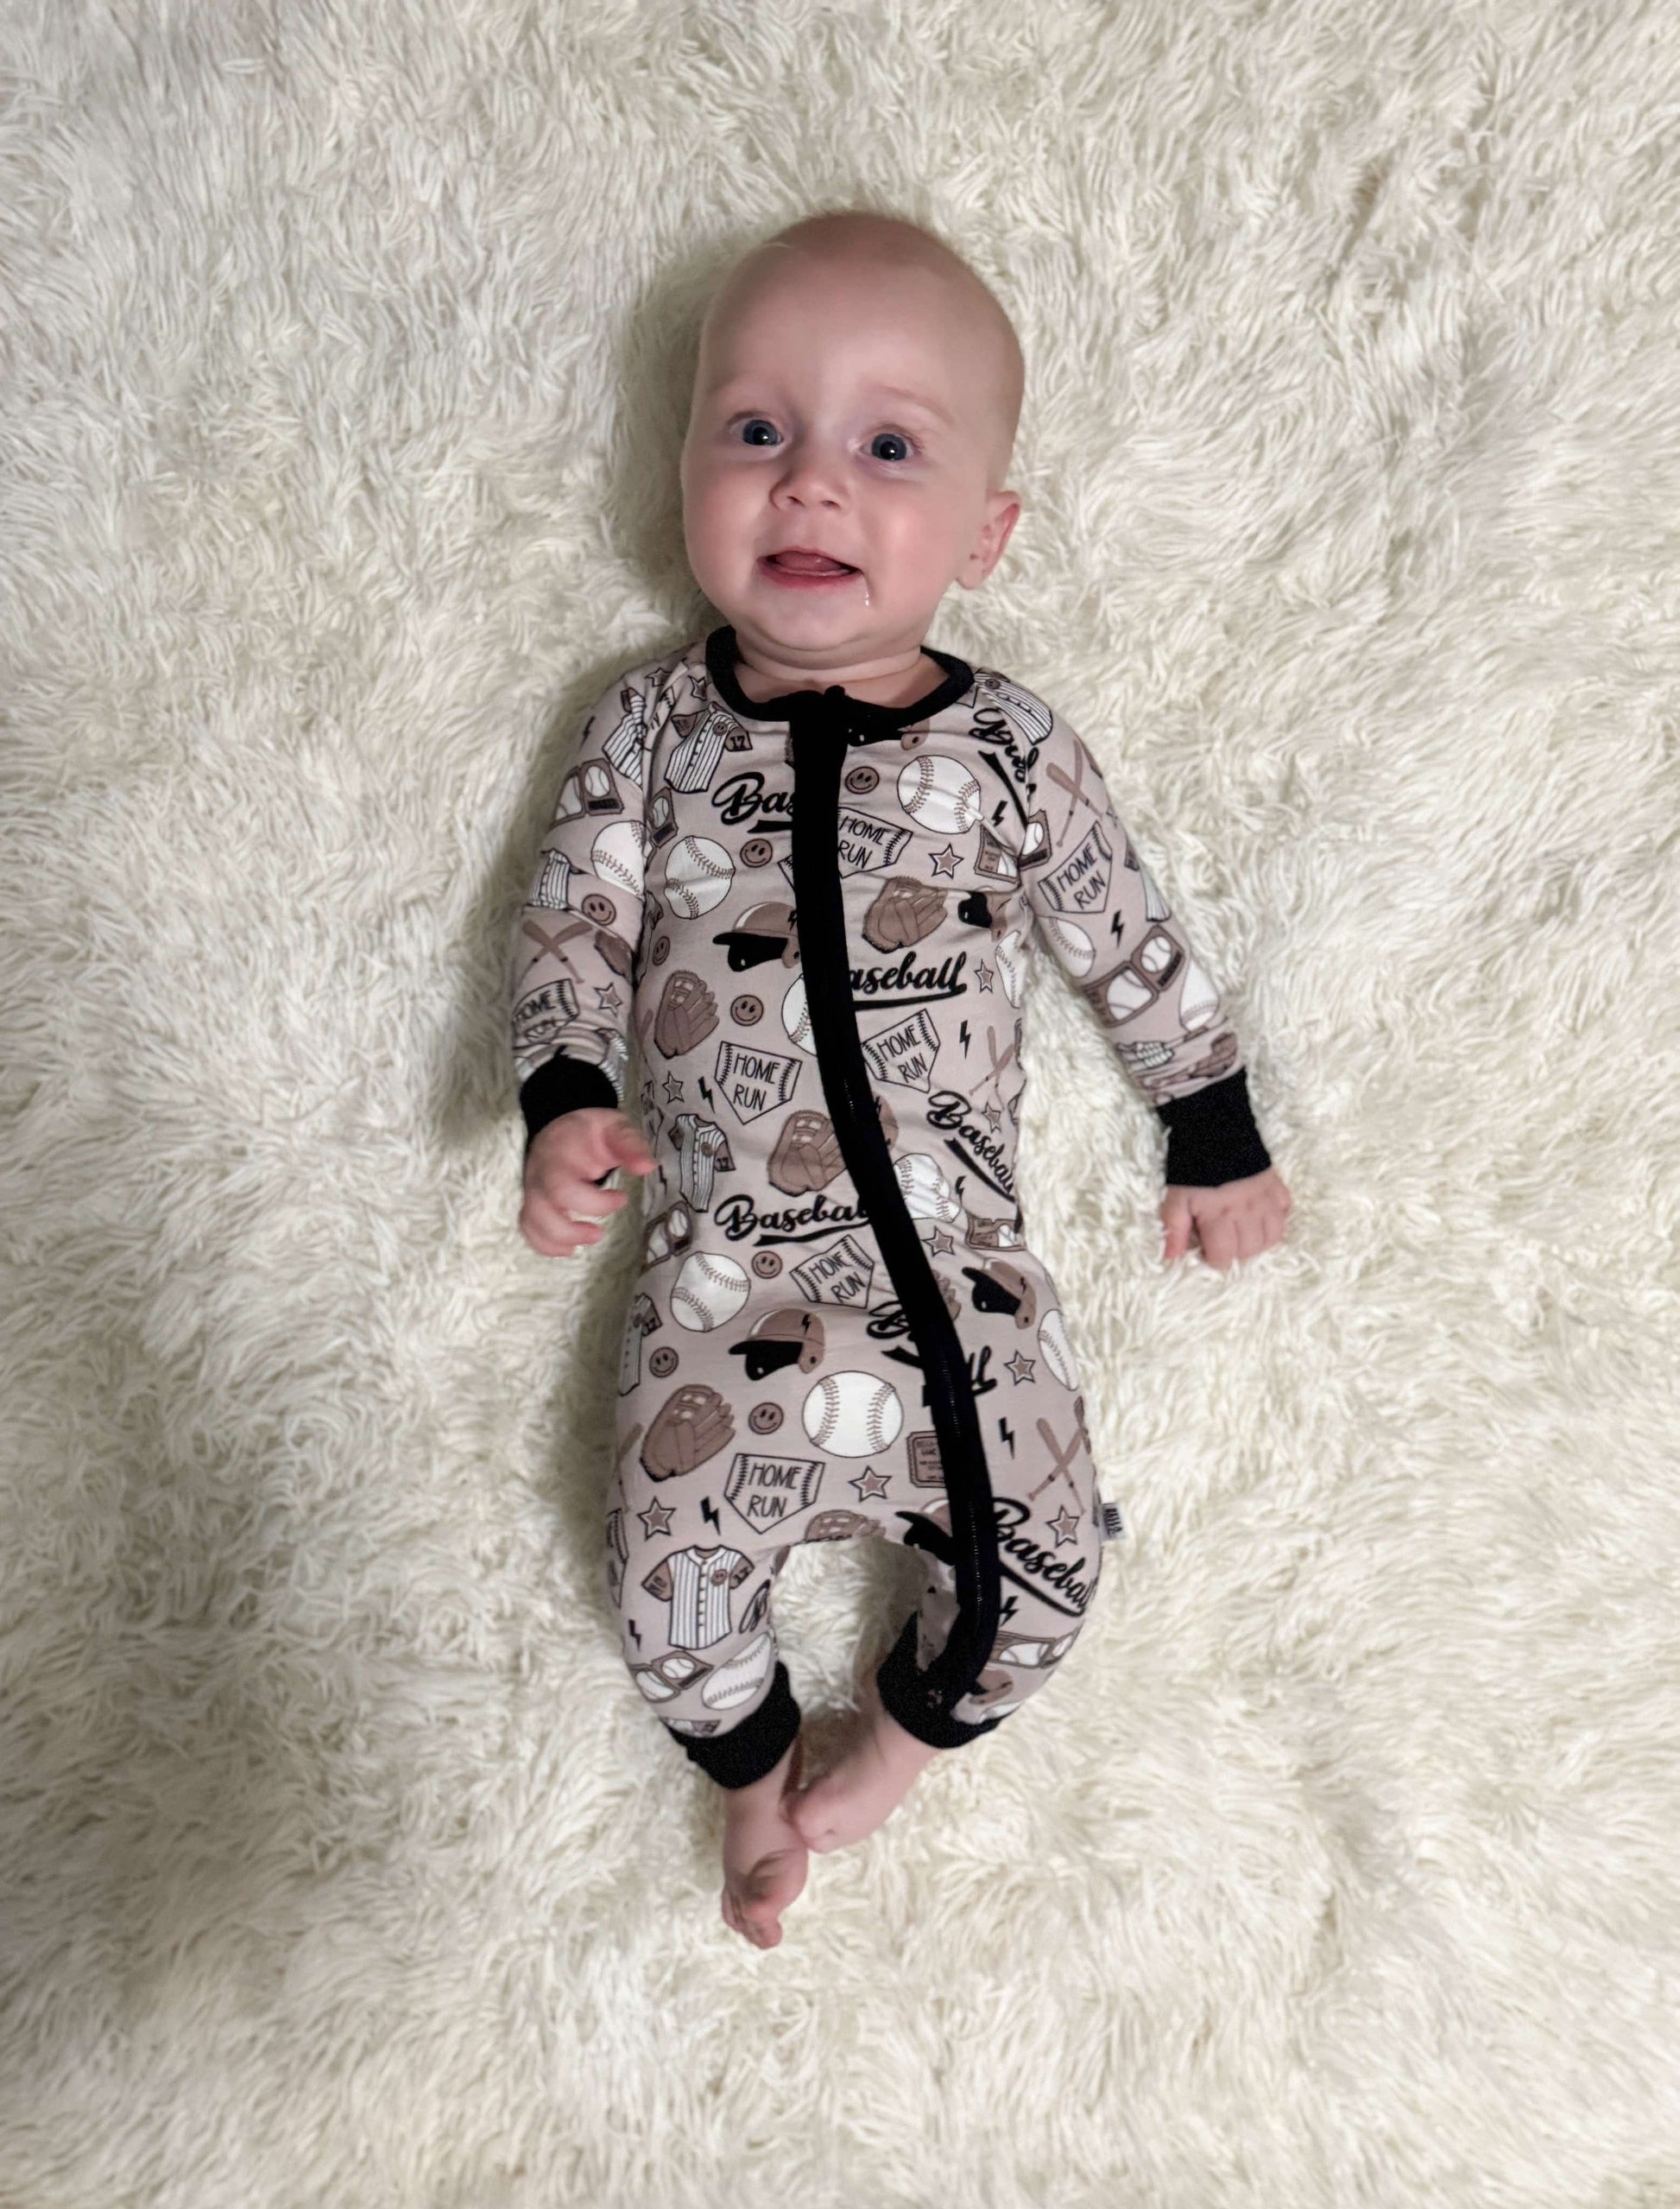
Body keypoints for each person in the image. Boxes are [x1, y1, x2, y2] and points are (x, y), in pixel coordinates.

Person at [509, 210, 1292, 1949]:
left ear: (984, 533)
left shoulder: (1007, 745)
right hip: (722, 1279)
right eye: (755, 429)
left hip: (959, 1280)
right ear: (682, 468)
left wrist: (1211, 1123)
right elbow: (572, 911)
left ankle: (899, 1742)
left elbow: (1119, 926)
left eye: (886, 448)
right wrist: (562, 1093)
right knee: (660, 1590)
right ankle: (751, 1771)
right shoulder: (649, 728)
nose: (807, 482)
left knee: (1048, 1572)